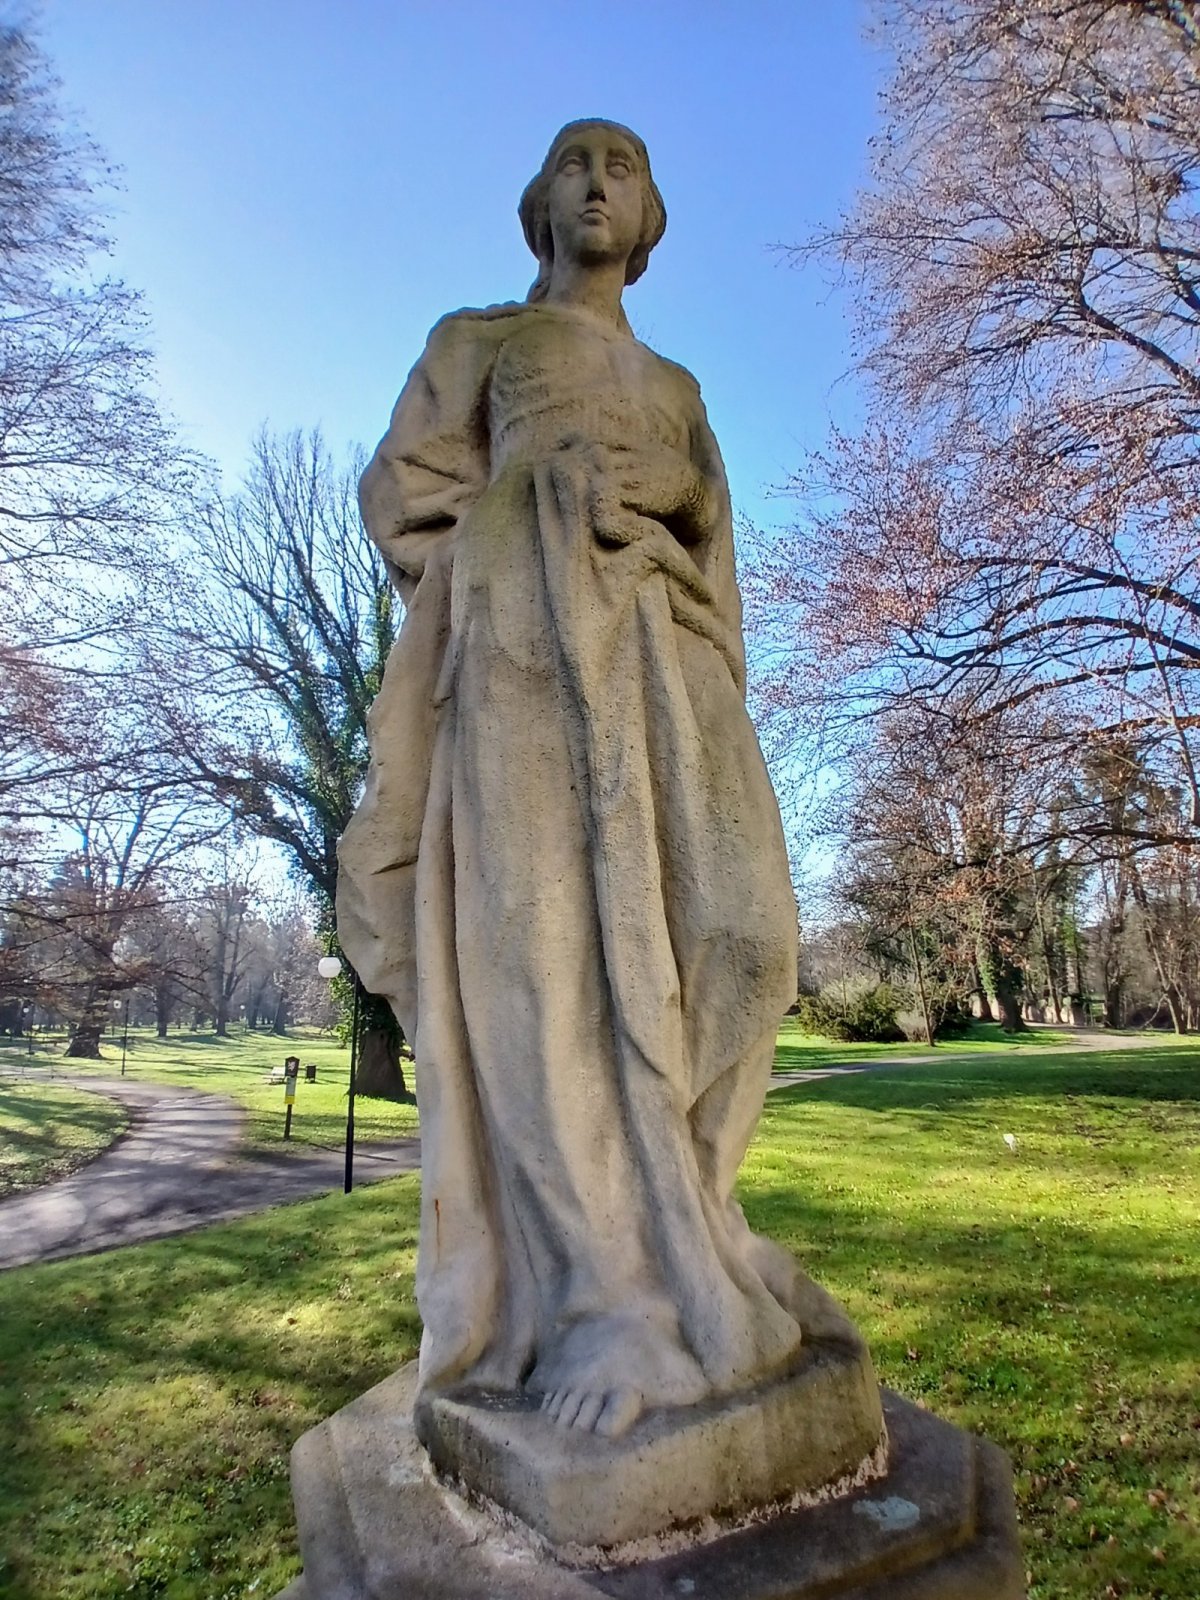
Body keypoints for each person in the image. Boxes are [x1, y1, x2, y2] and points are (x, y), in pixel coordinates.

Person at [337, 120, 809, 1441]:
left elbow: (717, 544)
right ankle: (608, 1302)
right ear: (536, 205)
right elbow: (403, 499)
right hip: (525, 665)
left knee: (744, 932)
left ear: (650, 220)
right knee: (539, 965)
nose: (599, 181)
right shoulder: (478, 344)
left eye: (625, 166)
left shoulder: (680, 387)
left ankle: (690, 1226)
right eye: (573, 162)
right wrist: (536, 502)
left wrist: (680, 499)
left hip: (667, 665)